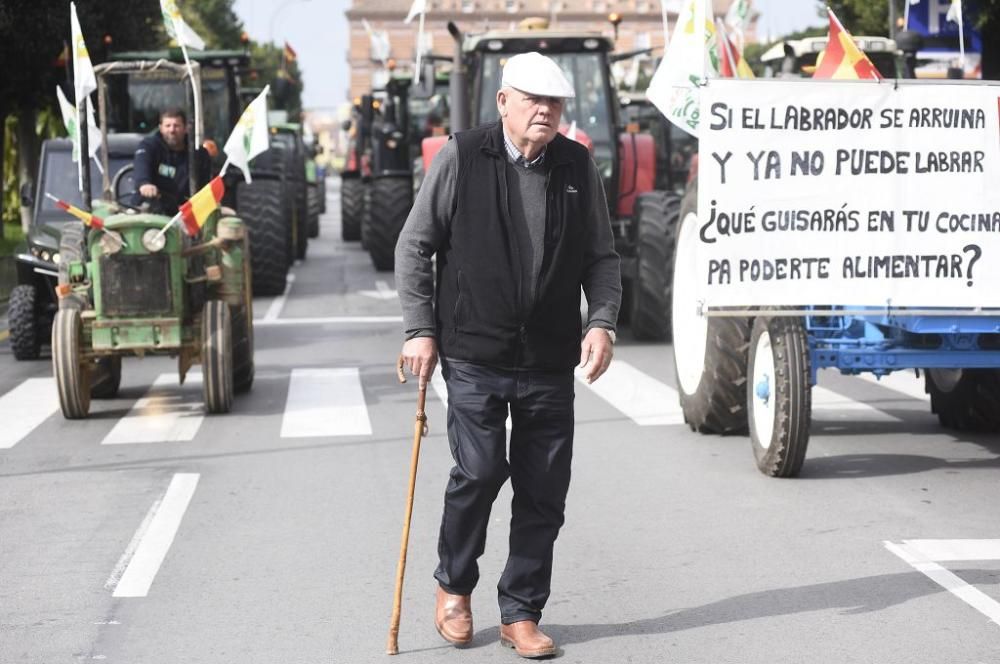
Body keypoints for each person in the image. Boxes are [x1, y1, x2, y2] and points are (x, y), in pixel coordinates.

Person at [395, 52, 621, 658]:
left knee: (544, 488)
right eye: (532, 99)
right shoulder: (463, 155)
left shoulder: (578, 165)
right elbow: (415, 245)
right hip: (474, 350)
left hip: (548, 356)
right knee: (479, 469)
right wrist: (420, 329)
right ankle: (454, 587)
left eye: (555, 103)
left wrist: (601, 322)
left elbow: (601, 257)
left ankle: (522, 610)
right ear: (504, 102)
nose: (545, 111)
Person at [133, 108, 208, 213]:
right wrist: (144, 184)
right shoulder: (149, 146)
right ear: (161, 128)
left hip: (185, 212)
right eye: (167, 126)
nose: (172, 130)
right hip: (153, 209)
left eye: (176, 126)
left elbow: (206, 186)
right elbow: (141, 168)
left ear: (186, 128)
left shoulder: (198, 154)